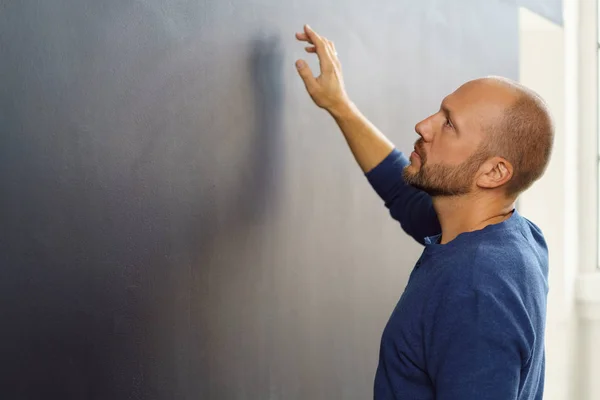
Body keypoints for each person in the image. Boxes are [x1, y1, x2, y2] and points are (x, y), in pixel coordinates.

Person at [294, 24, 553, 400]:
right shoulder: (515, 237)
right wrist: (339, 105)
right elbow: (403, 192)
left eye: (449, 123)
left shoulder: (475, 290)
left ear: (494, 171)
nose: (423, 125)